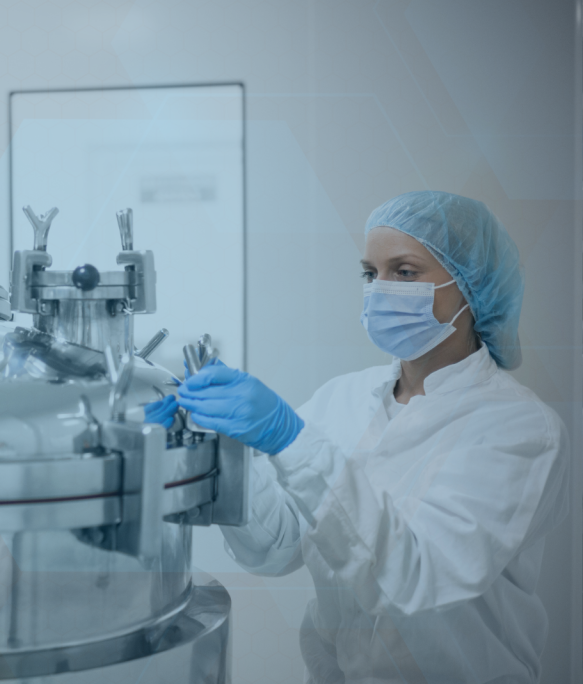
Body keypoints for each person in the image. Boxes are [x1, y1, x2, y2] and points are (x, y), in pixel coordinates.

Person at [170, 191, 570, 684]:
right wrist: (223, 449)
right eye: (369, 273)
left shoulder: (519, 428)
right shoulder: (344, 396)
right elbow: (279, 545)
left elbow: (415, 578)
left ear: (469, 286)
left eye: (404, 272)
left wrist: (289, 439)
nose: (380, 291)